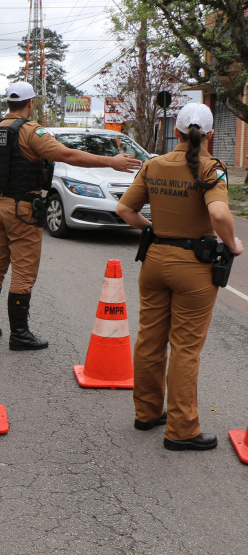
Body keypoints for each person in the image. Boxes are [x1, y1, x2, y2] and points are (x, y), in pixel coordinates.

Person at [116, 103, 243, 451]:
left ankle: (146, 413)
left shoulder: (153, 164)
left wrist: (152, 229)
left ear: (176, 130)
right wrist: (233, 243)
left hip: (154, 261)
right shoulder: (211, 168)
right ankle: (182, 429)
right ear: (209, 134)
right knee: (185, 348)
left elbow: (124, 210)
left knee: (149, 340)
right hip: (193, 268)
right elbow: (218, 212)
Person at [0, 82, 143, 351]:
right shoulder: (30, 130)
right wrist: (111, 161)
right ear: (30, 103)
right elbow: (66, 155)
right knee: (23, 271)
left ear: (8, 103)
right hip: (21, 209)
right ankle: (19, 335)